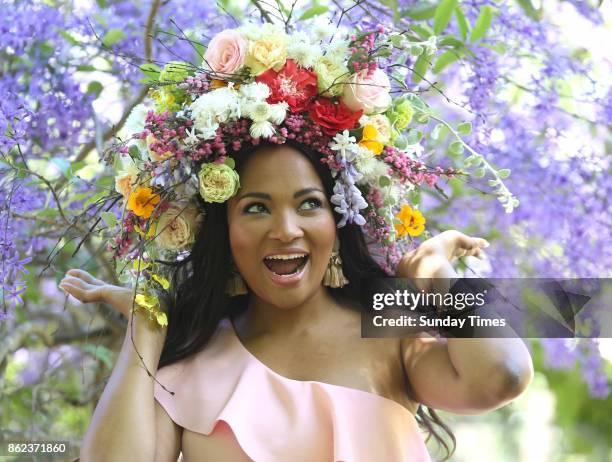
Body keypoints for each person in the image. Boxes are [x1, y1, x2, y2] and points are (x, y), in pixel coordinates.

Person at [59, 141, 533, 462]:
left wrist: (432, 273)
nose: (286, 229)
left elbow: (502, 375)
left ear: (337, 220)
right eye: (256, 207)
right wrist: (149, 326)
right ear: (223, 234)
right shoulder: (191, 360)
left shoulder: (388, 330)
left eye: (309, 203)